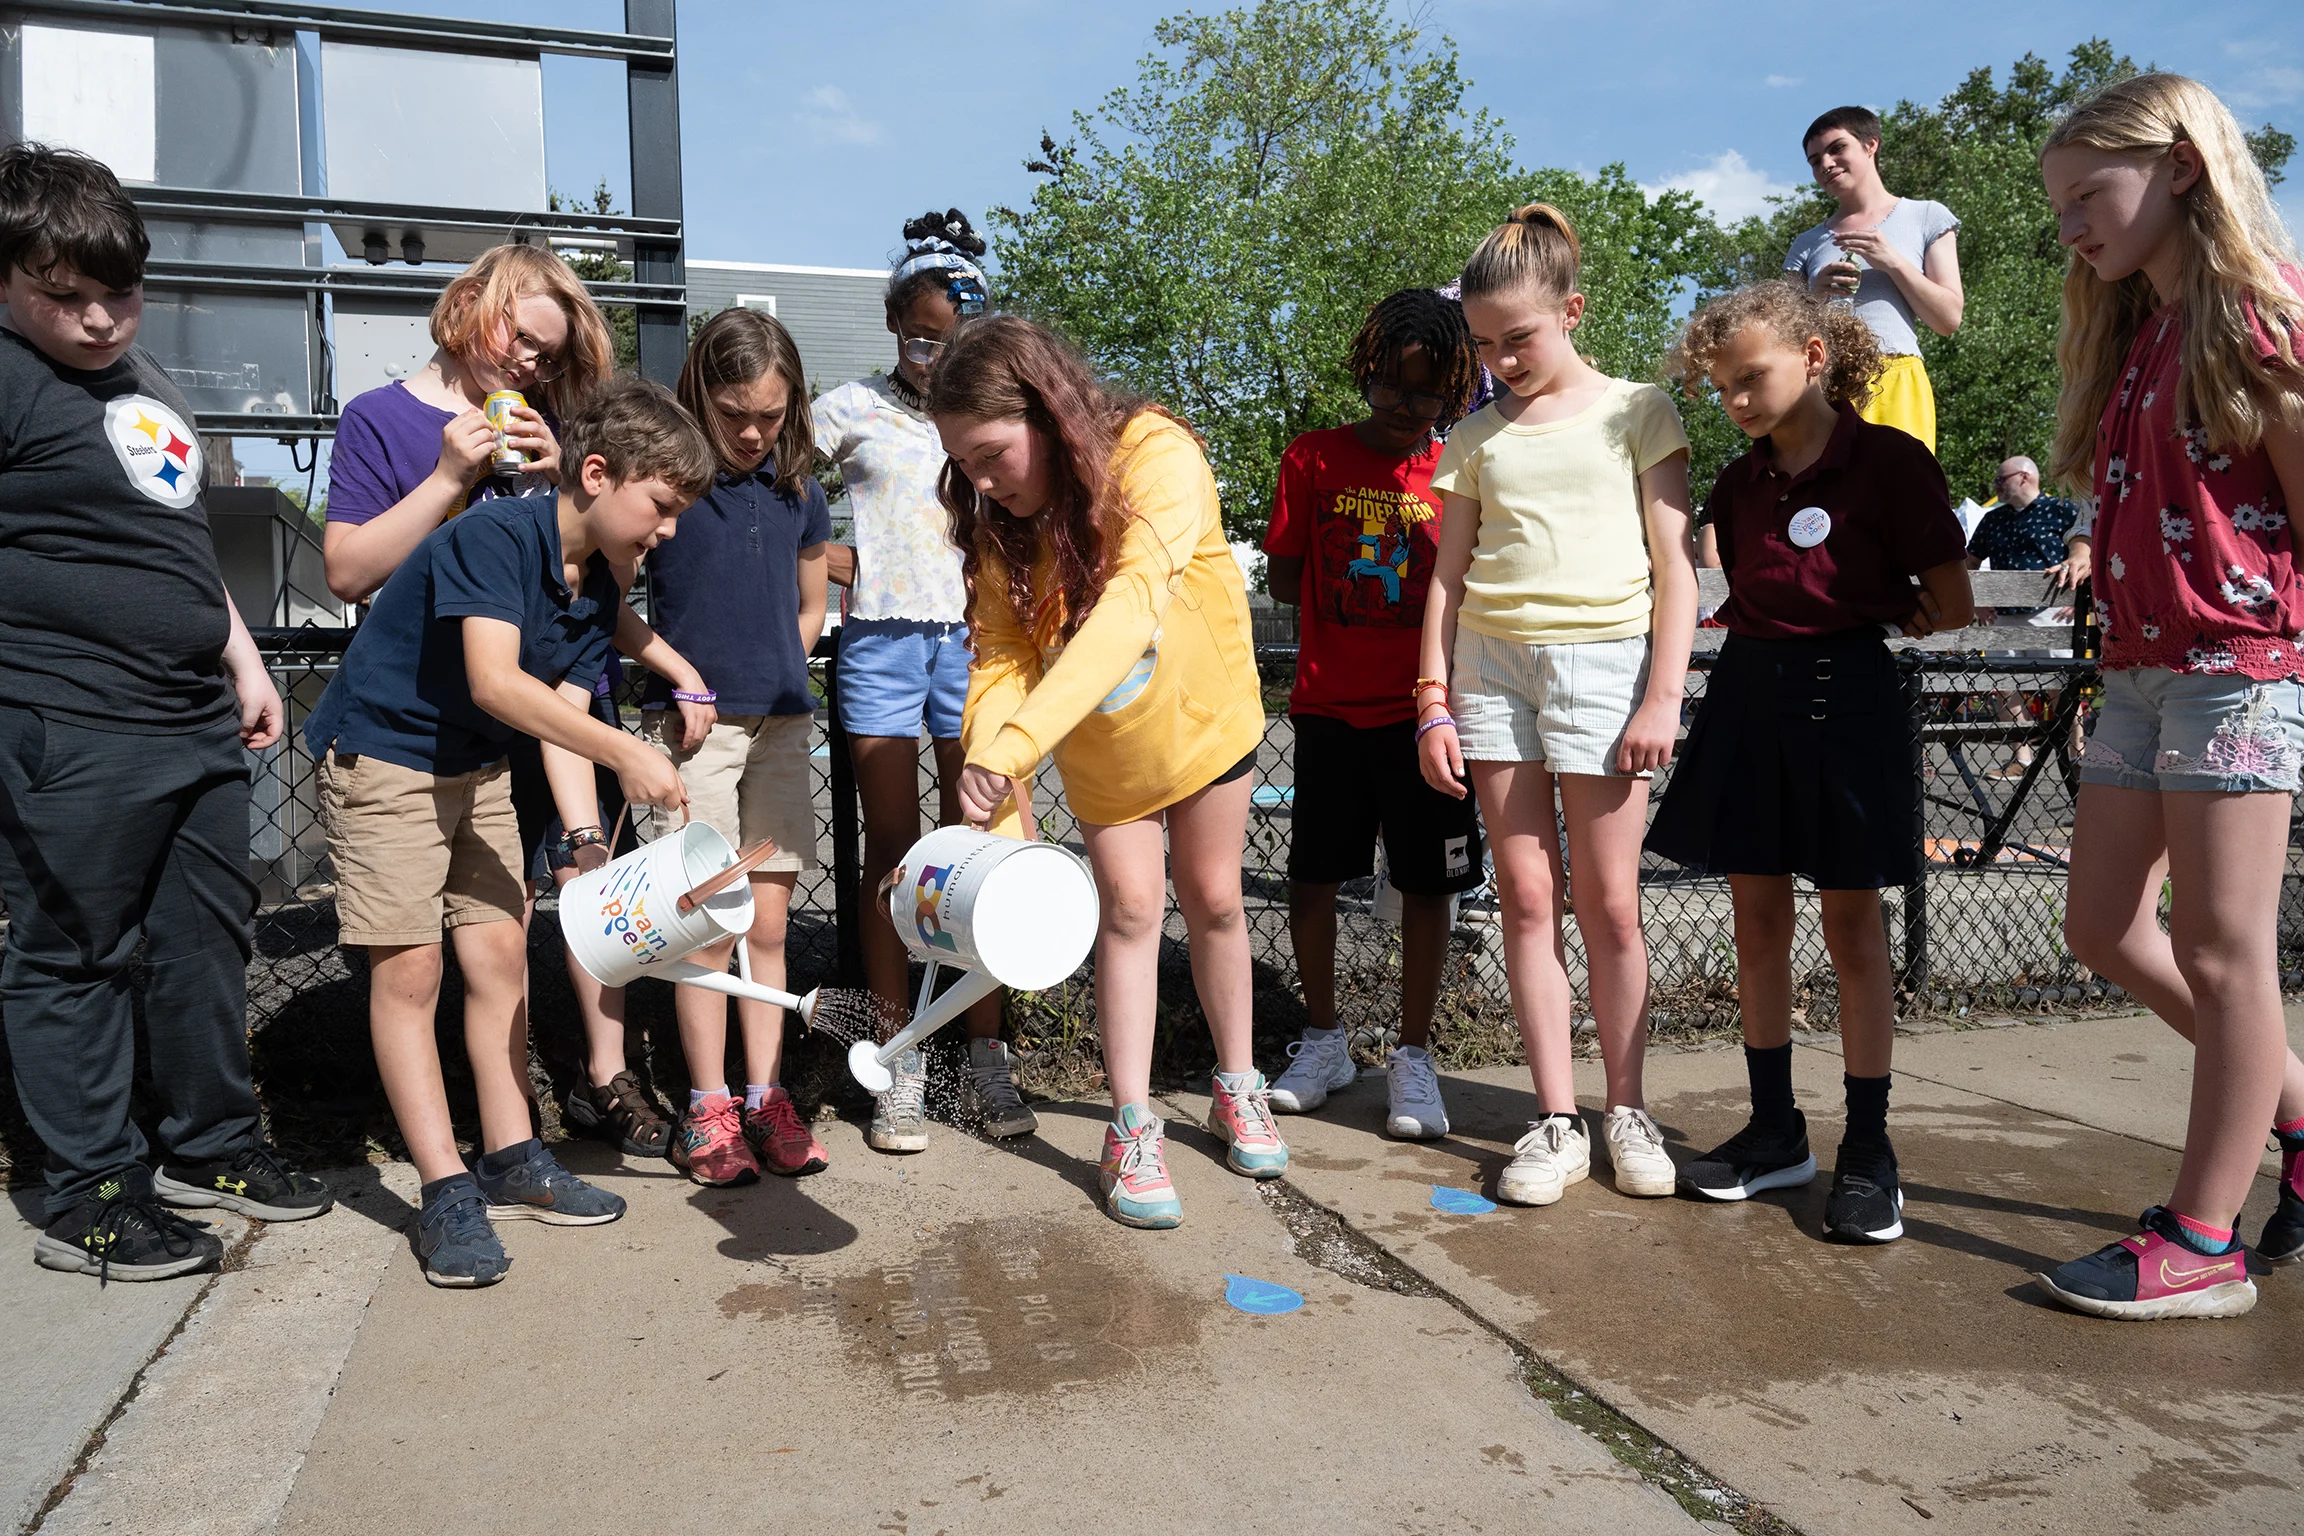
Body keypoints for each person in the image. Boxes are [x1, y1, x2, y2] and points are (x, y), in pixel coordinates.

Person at [0, 143, 333, 1281]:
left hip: (192, 715)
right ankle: (88, 1190)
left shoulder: (148, 387)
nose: (99, 319)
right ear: (7, 282)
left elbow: (177, 540)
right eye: (64, 296)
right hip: (67, 721)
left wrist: (240, 654)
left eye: (119, 292)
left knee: (203, 942)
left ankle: (213, 1147)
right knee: (75, 957)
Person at [302, 379, 705, 1287]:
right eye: (663, 506)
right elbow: (494, 680)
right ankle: (444, 1189)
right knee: (411, 972)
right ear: (596, 475)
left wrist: (587, 827)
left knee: (498, 960)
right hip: (386, 752)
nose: (669, 530)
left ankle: (511, 1153)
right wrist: (625, 753)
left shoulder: (601, 577)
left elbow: (556, 706)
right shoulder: (496, 534)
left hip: (474, 766)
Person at [2032, 73, 2304, 1319]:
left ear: (2181, 167)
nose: (2073, 224)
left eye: (2091, 194)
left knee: (2223, 946)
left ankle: (2205, 1242)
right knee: (2102, 928)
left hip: (2237, 670)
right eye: (2062, 207)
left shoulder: (2258, 318)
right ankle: (2298, 1118)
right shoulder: (2142, 328)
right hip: (2138, 671)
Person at [319, 244, 687, 1160]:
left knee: (505, 947)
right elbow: (349, 572)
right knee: (415, 961)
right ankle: (452, 1159)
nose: (529, 362)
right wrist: (448, 483)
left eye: (548, 355)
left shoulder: (556, 440)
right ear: (470, 305)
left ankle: (524, 1138)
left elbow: (582, 594)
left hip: (527, 727)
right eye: (520, 338)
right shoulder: (384, 420)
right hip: (417, 721)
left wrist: (565, 478)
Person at [1647, 279, 1974, 1244]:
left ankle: (1868, 1151)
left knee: (1852, 926)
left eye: (1751, 377)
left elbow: (1951, 601)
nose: (1738, 400)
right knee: (1755, 919)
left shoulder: (1889, 462)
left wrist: (1885, 614)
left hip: (1850, 699)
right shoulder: (1741, 484)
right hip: (1751, 694)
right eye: (1722, 388)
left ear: (1815, 357)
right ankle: (1774, 1130)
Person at [935, 316, 1274, 1230]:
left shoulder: (1157, 455)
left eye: (992, 453)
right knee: (1128, 911)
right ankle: (1131, 1126)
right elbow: (1003, 655)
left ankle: (1237, 1085)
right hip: (1105, 749)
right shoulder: (1003, 524)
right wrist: (992, 771)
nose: (980, 480)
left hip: (1204, 725)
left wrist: (1014, 749)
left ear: (1047, 416)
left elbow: (1129, 608)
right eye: (962, 463)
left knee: (1215, 901)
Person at [1413, 204, 1700, 1207]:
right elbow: (1446, 582)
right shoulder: (1474, 437)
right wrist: (1433, 701)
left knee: (1610, 905)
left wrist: (1664, 694)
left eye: (1518, 338)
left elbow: (1677, 567)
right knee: (1527, 901)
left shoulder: (1638, 411)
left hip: (1607, 670)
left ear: (1572, 310)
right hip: (1492, 675)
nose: (1500, 360)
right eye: (1484, 345)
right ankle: (1555, 1117)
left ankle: (1627, 1107)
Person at [814, 209, 1034, 1153]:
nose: (929, 354)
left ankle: (983, 1055)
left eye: (949, 342)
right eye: (916, 336)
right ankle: (898, 1058)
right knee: (895, 852)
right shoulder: (845, 409)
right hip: (879, 648)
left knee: (980, 844)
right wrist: (841, 563)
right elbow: (775, 499)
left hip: (980, 646)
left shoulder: (988, 409)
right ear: (892, 323)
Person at [1262, 289, 1487, 1137]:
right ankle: (1324, 1039)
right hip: (1327, 709)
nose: (1402, 408)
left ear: (1455, 393)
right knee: (1317, 874)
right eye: (1388, 388)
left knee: (1429, 882)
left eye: (1425, 394)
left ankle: (1415, 1056)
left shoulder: (1459, 467)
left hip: (1429, 719)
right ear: (1365, 376)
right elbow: (1285, 578)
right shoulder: (1312, 457)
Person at [647, 309, 833, 1185]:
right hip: (699, 735)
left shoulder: (800, 490)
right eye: (734, 414)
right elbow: (616, 604)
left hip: (783, 728)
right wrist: (683, 674)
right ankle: (708, 1108)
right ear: (699, 397)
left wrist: (782, 663)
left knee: (768, 926)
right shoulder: (669, 484)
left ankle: (766, 1100)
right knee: (706, 929)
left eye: (770, 412)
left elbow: (809, 605)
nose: (755, 432)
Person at [1783, 106, 1964, 452]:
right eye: (1814, 159)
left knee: (1900, 495)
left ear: (1870, 145)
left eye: (1837, 149)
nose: (1826, 164)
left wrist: (1892, 262)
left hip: (1897, 378)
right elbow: (1780, 335)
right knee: (1829, 501)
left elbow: (1948, 319)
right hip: (1825, 388)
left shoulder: (1926, 215)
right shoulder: (1806, 243)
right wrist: (1814, 294)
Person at [1966, 456, 2083, 773]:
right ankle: (2022, 758)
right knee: (2006, 687)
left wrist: (2081, 599)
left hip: (2052, 614)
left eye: (2000, 480)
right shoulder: (1993, 520)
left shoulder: (2062, 510)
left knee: (2062, 686)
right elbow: (1969, 563)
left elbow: (2089, 553)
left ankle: (2077, 754)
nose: (1996, 486)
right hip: (2004, 617)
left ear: (2025, 477)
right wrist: (1976, 600)